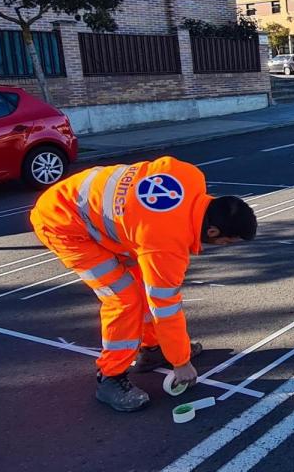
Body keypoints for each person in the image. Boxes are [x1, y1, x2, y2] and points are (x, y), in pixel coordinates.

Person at [29, 156, 257, 412]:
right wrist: (181, 363)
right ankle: (110, 377)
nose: (223, 247)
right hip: (64, 224)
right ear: (213, 231)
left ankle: (152, 349)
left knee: (141, 282)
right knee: (124, 298)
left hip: (88, 207)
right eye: (227, 242)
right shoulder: (166, 245)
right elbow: (164, 307)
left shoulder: (191, 175)